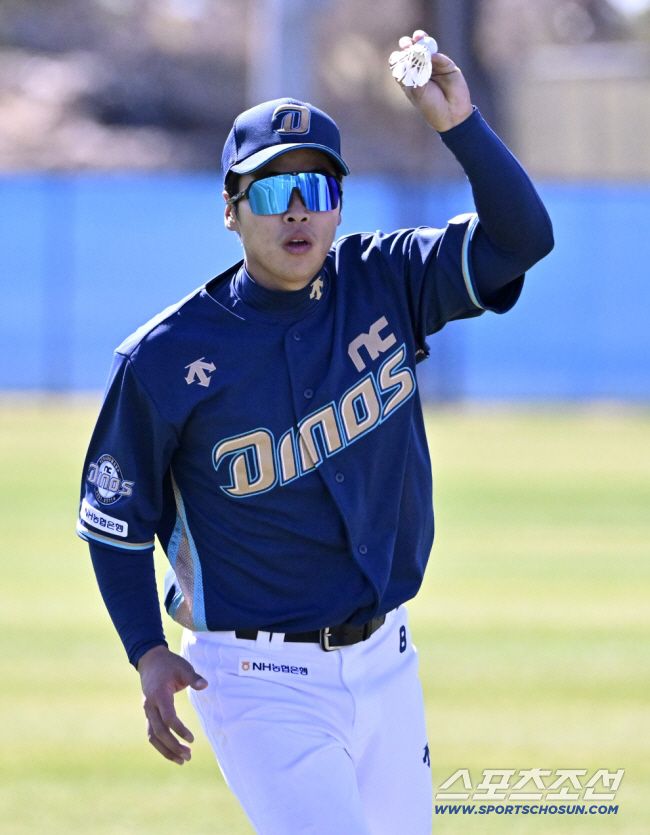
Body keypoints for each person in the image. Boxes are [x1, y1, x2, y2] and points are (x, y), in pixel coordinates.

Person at [77, 30, 553, 835]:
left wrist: (461, 126)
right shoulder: (165, 358)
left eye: (316, 186)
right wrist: (146, 649)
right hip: (257, 676)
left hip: (388, 660)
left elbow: (523, 240)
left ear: (338, 203)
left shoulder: (387, 279)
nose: (297, 210)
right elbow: (114, 520)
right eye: (270, 191)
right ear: (230, 209)